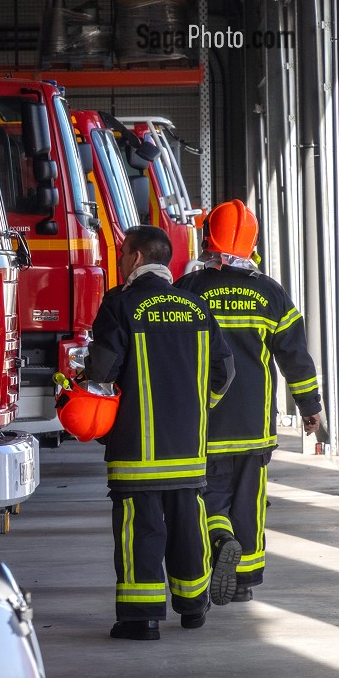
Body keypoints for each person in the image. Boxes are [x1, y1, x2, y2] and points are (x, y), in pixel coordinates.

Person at [84, 225, 234, 640]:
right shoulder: (197, 307)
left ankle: (141, 619)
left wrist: (84, 373)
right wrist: (197, 409)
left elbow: (103, 371)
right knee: (188, 524)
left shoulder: (120, 304)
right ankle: (193, 606)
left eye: (121, 255)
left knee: (141, 529)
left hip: (137, 449)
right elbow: (224, 371)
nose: (119, 262)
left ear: (135, 258)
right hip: (188, 446)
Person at [175, 199, 321, 604]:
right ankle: (243, 581)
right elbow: (295, 355)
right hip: (253, 423)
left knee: (204, 492)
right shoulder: (270, 293)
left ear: (208, 240)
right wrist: (309, 406)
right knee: (249, 500)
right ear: (253, 246)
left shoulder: (189, 289)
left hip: (202, 420)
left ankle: (219, 540)